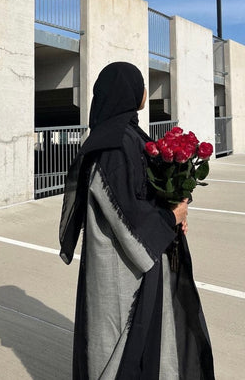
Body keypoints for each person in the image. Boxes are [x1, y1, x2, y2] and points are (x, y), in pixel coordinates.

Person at [59, 62, 214, 379]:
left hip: (134, 262)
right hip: (121, 270)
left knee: (140, 342)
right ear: (134, 93)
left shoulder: (126, 136)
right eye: (142, 84)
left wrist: (176, 205)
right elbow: (127, 213)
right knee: (119, 343)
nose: (146, 91)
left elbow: (142, 194)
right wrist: (171, 217)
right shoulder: (114, 145)